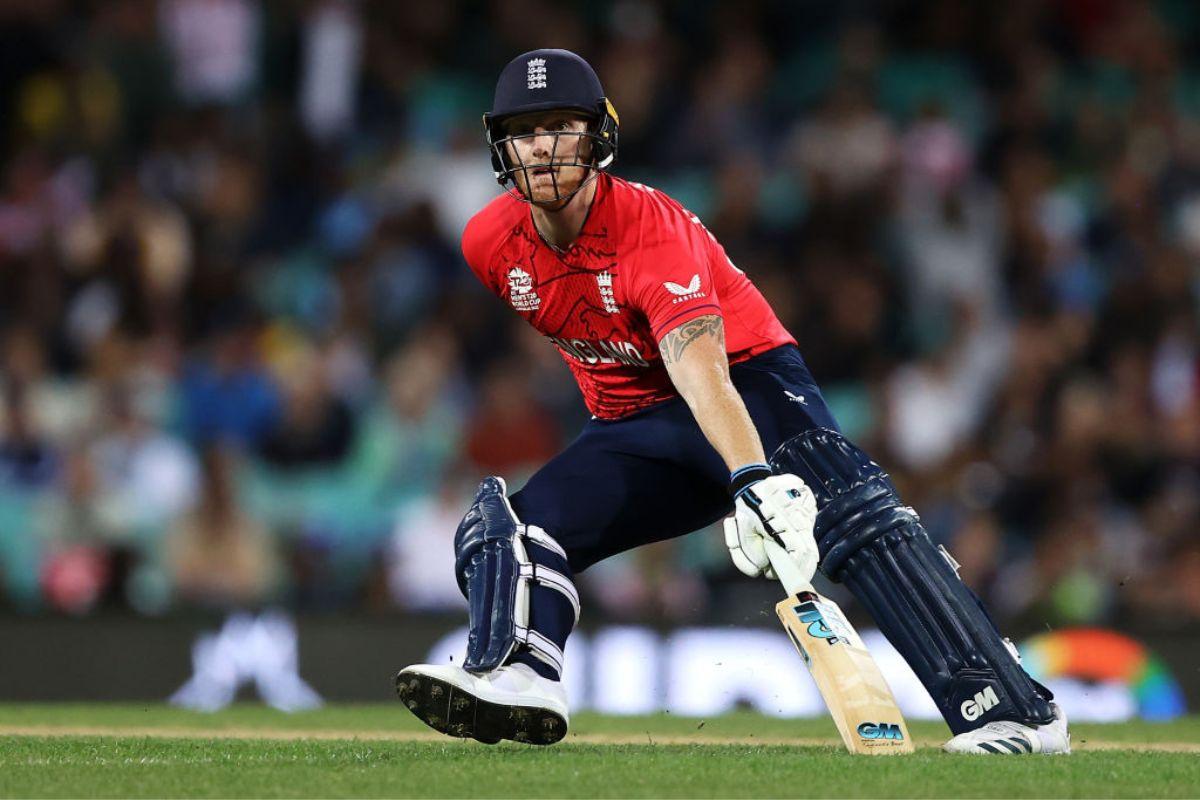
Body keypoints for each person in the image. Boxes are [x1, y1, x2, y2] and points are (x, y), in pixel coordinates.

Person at [396, 49, 1070, 755]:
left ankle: (1015, 712)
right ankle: (520, 677)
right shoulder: (487, 243)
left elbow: (703, 374)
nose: (543, 147)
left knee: (851, 516)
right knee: (507, 529)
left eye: (561, 126)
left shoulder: (651, 233)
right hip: (633, 423)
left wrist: (750, 476)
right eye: (525, 130)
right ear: (501, 145)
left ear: (599, 137)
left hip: (748, 384)